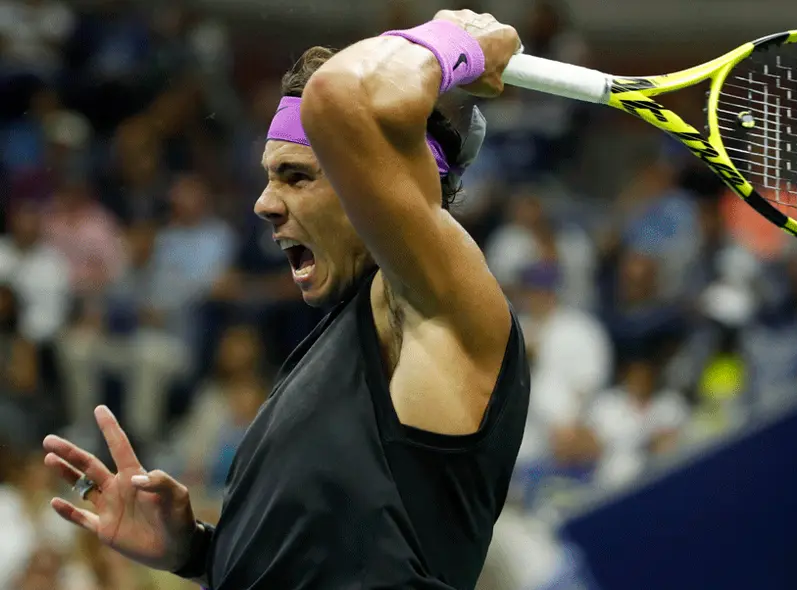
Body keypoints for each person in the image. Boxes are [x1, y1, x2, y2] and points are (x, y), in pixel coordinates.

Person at [40, 8, 530, 590]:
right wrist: (201, 553)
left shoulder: (440, 301)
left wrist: (454, 39)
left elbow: (339, 94)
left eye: (297, 176)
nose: (264, 204)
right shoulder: (341, 341)